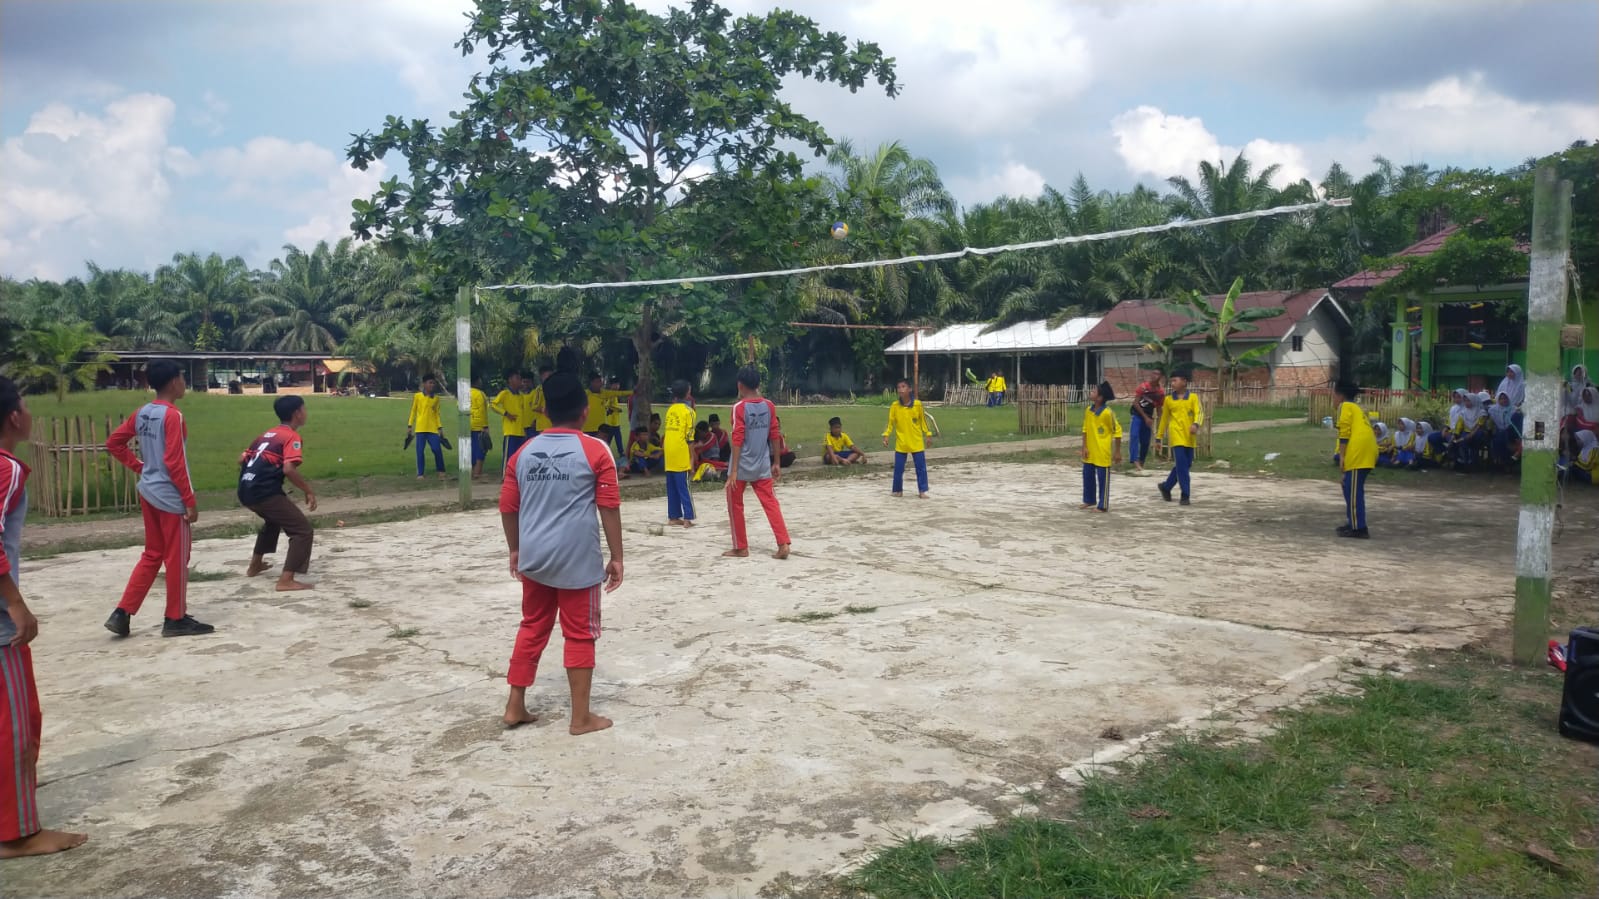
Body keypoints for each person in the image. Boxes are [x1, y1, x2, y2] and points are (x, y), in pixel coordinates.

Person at [498, 372, 622, 735]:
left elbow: (507, 506)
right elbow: (609, 505)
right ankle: (580, 717)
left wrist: (516, 549)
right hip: (577, 562)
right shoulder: (596, 450)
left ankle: (514, 704)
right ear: (585, 412)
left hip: (535, 558)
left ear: (545, 412)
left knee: (533, 626)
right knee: (580, 633)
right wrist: (617, 556)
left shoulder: (522, 452)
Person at [0, 377, 90, 860]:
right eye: (25, 403)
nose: (29, 411)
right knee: (15, 721)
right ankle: (16, 833)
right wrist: (15, 603)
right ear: (14, 417)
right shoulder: (6, 469)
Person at [104, 360, 213, 638]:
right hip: (169, 495)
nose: (184, 383)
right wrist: (189, 500)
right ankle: (174, 618)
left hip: (148, 491)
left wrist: (140, 467)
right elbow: (175, 462)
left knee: (153, 554)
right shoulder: (172, 416)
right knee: (177, 558)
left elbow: (114, 443)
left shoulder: (143, 412)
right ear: (174, 381)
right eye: (182, 377)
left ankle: (122, 612)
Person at [239, 396, 319, 592]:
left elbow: (241, 460)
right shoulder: (291, 437)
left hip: (245, 489)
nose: (306, 413)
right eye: (304, 409)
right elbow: (288, 469)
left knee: (273, 521)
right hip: (264, 492)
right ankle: (286, 580)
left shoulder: (266, 435)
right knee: (302, 531)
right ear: (297, 414)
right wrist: (308, 490)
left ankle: (255, 565)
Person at [724, 366, 791, 560]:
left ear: (740, 385)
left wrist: (734, 471)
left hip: (742, 463)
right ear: (758, 384)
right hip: (762, 463)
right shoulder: (769, 405)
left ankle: (741, 547)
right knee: (771, 502)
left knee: (734, 502)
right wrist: (776, 462)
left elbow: (737, 439)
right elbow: (774, 434)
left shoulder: (739, 408)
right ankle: (783, 542)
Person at [1333, 380, 1376, 539]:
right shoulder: (1356, 408)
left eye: (1334, 395)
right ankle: (1354, 522)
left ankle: (1359, 528)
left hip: (1359, 452)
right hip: (1365, 450)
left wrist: (1342, 457)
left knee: (1353, 490)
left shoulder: (1345, 406)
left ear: (1340, 395)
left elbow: (1344, 432)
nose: (1333, 399)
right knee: (1347, 485)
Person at [1155, 368, 1203, 506]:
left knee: (1185, 465)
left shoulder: (1193, 398)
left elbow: (1199, 413)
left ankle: (1166, 487)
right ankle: (1185, 495)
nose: (1173, 383)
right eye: (1172, 381)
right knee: (1182, 465)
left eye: (1175, 380)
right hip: (1176, 436)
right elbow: (1163, 420)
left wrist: (1196, 424)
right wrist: (1159, 438)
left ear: (1184, 381)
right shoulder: (1169, 400)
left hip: (1190, 436)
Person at [883, 379, 933, 498]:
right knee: (898, 469)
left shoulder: (917, 404)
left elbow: (923, 421)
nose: (900, 389)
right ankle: (898, 490)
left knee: (921, 468)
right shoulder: (894, 406)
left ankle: (922, 491)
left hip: (916, 442)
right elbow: (890, 423)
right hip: (902, 442)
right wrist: (886, 436)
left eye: (903, 386)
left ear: (909, 389)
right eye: (899, 387)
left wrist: (928, 434)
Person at [1080, 381, 1122, 512]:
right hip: (1090, 451)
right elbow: (1085, 429)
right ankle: (1089, 499)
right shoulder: (1088, 410)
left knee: (1103, 479)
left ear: (1100, 397)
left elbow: (1118, 431)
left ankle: (1102, 505)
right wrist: (1084, 447)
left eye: (1093, 391)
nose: (1090, 393)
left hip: (1102, 452)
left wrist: (1117, 452)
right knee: (1087, 476)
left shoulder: (1107, 413)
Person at [662, 380, 697, 527]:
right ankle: (688, 517)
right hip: (681, 451)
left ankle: (673, 516)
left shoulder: (670, 410)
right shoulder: (689, 412)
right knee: (684, 486)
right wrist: (692, 458)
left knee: (672, 487)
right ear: (688, 393)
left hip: (669, 452)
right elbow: (690, 437)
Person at [407, 374, 447, 480]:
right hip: (420, 428)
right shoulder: (418, 396)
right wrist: (410, 425)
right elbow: (413, 411)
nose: (432, 385)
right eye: (430, 383)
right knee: (420, 451)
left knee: (437, 449)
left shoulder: (436, 398)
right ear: (424, 384)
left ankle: (441, 470)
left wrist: (440, 428)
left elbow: (437, 414)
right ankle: (420, 473)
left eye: (433, 383)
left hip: (433, 428)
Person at [491, 372, 530, 473]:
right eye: (517, 378)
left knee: (519, 456)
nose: (519, 381)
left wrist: (525, 429)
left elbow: (523, 414)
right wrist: (506, 413)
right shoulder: (505, 393)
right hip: (510, 431)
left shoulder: (521, 396)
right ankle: (505, 475)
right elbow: (493, 405)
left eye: (520, 379)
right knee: (509, 455)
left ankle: (516, 475)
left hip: (520, 431)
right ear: (510, 380)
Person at [1127, 374, 1164, 471]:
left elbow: (1159, 409)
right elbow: (1135, 403)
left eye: (1157, 374)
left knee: (1145, 441)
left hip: (1148, 417)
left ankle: (1141, 461)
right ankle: (1134, 460)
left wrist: (1162, 422)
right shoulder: (1143, 387)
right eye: (1153, 374)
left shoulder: (1160, 392)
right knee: (1134, 436)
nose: (1154, 376)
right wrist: (1145, 417)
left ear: (1160, 377)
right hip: (1137, 415)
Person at [1487, 390, 1522, 468]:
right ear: (1498, 400)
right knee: (1498, 440)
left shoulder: (1514, 409)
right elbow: (1491, 423)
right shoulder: (1493, 410)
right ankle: (1503, 462)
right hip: (1500, 432)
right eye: (1501, 399)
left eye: (1505, 398)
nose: (1503, 401)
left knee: (1504, 436)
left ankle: (1508, 462)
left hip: (1513, 433)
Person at [469, 377, 491, 479]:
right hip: (478, 424)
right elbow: (483, 410)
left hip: (467, 423)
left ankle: (471, 472)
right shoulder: (480, 394)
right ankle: (477, 472)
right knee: (481, 448)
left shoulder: (465, 393)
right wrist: (485, 426)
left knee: (472, 448)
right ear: (477, 381)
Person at [601, 378, 627, 457]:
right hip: (611, 423)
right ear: (611, 385)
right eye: (615, 384)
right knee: (611, 439)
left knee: (617, 439)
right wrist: (617, 409)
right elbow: (607, 405)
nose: (617, 386)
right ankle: (618, 453)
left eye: (618, 384)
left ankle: (620, 452)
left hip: (615, 422)